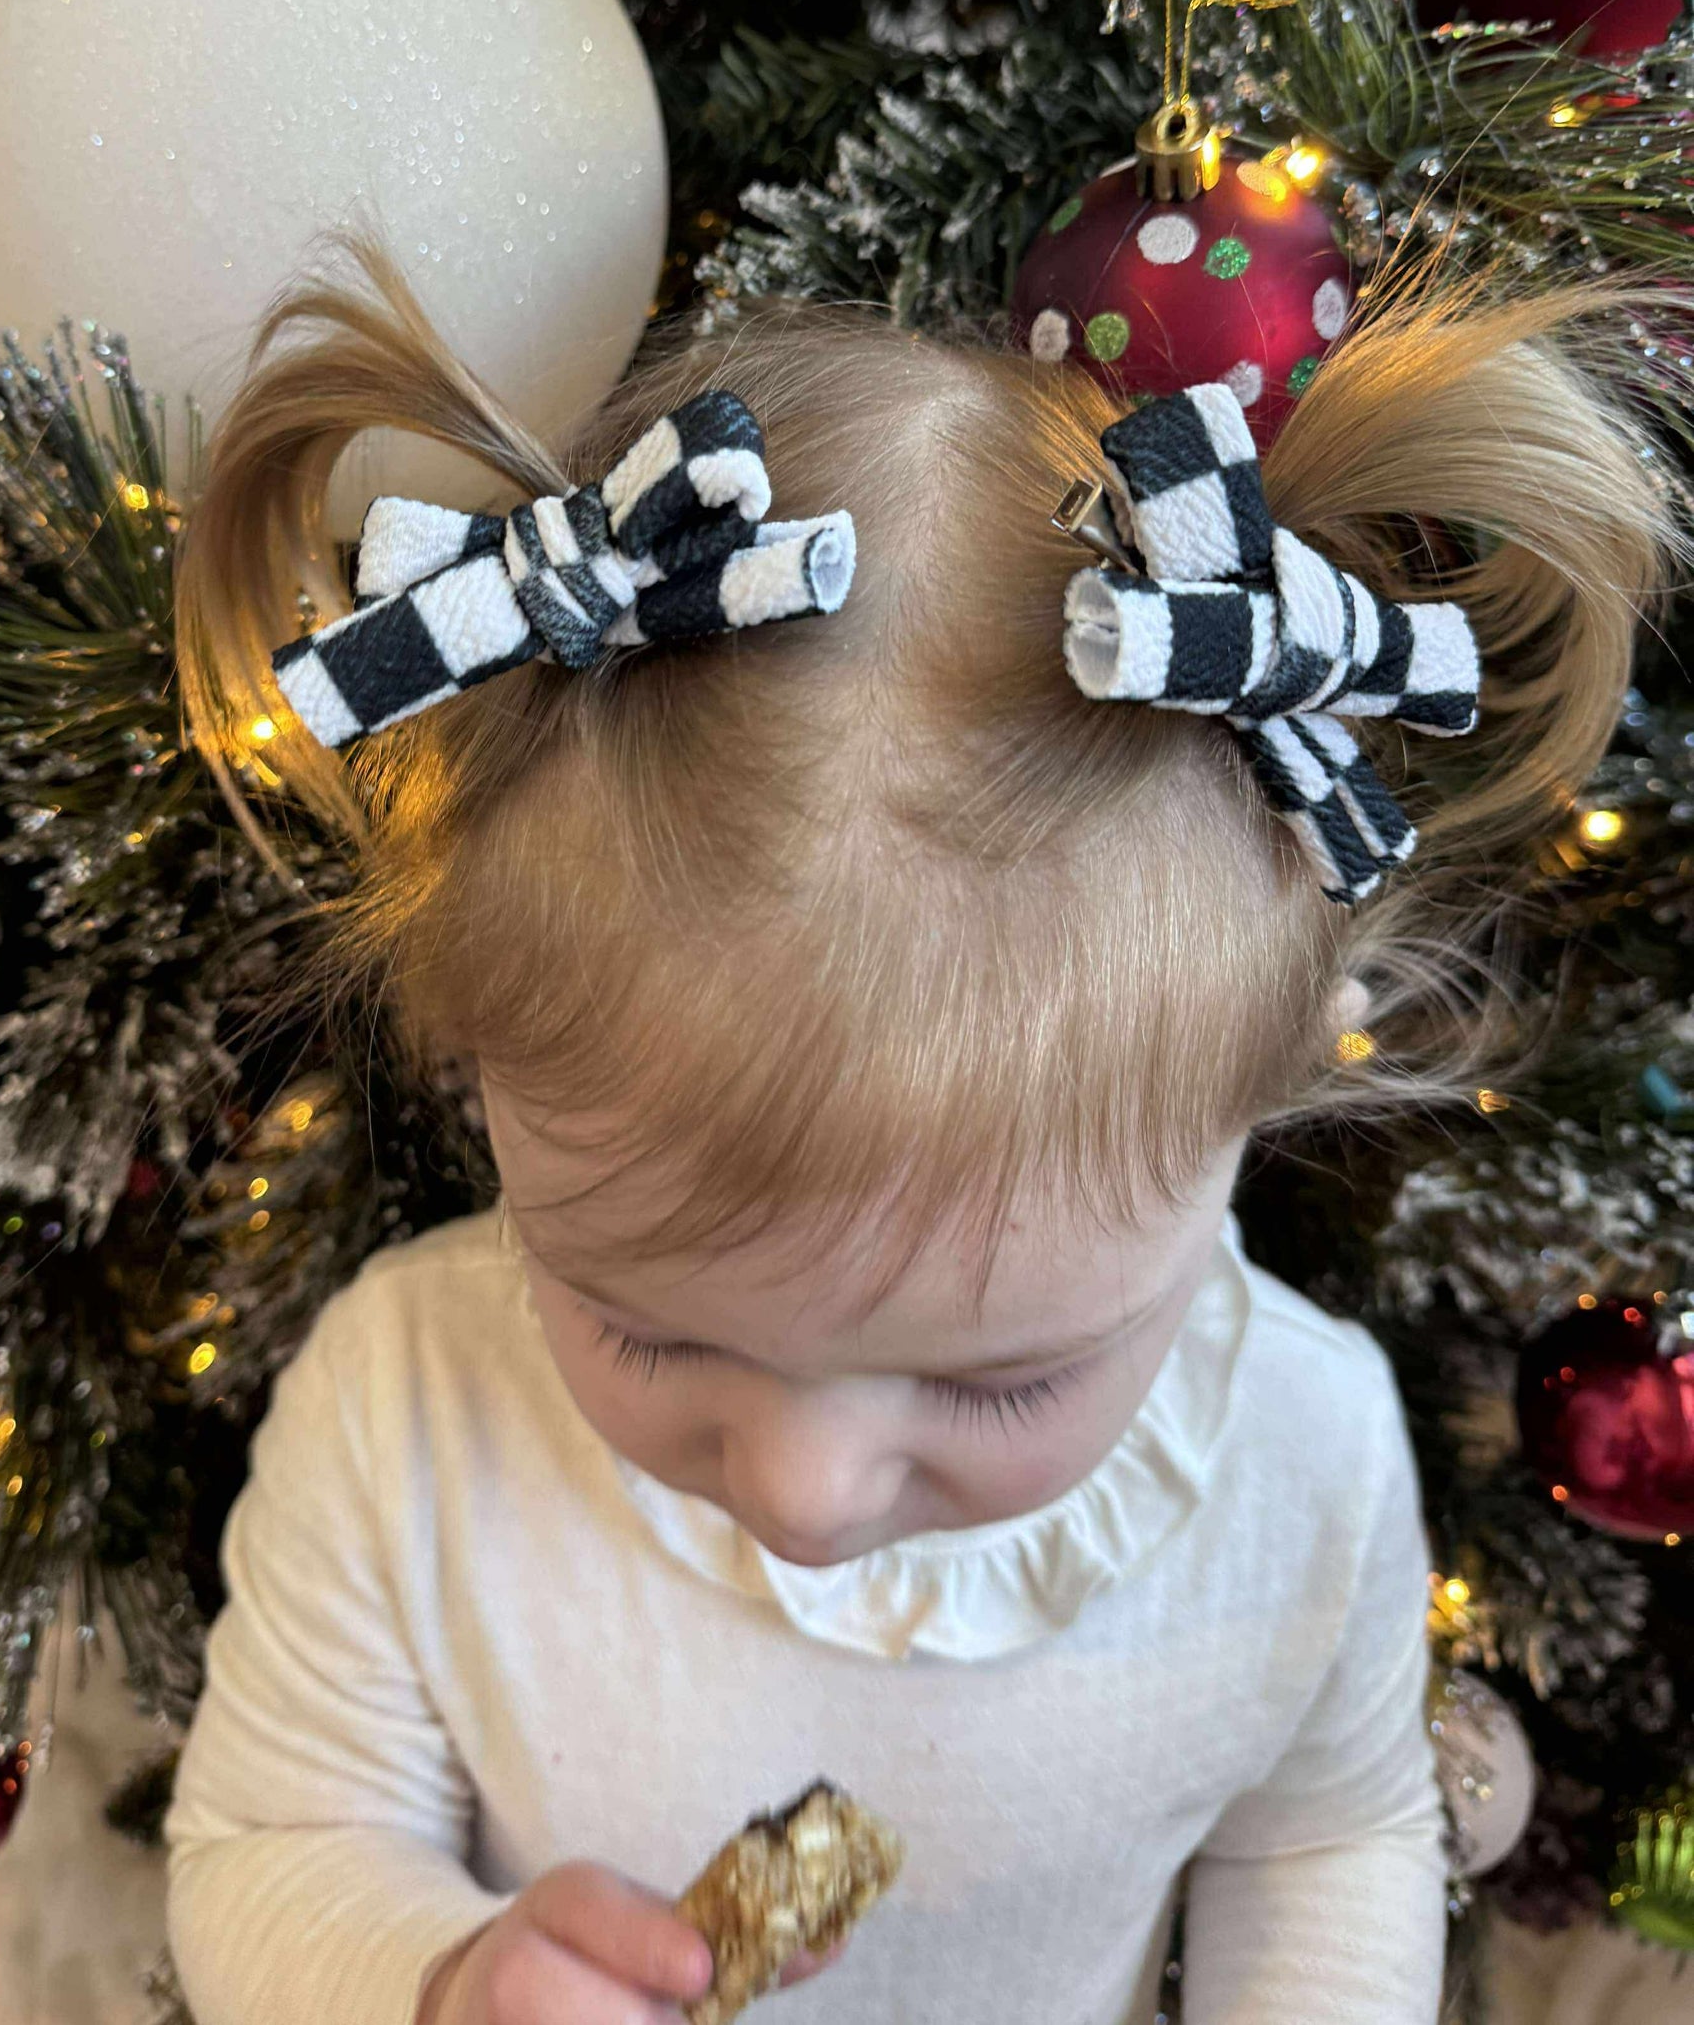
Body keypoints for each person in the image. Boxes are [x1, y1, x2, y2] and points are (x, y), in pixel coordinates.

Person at [166, 239, 1677, 2025]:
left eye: (1004, 1385)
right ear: (487, 1084)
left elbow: (1324, 1843)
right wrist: (434, 1982)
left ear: (1252, 1114)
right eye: (649, 1331)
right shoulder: (403, 1411)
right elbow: (274, 1838)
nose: (806, 1498)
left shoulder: (1304, 1457)